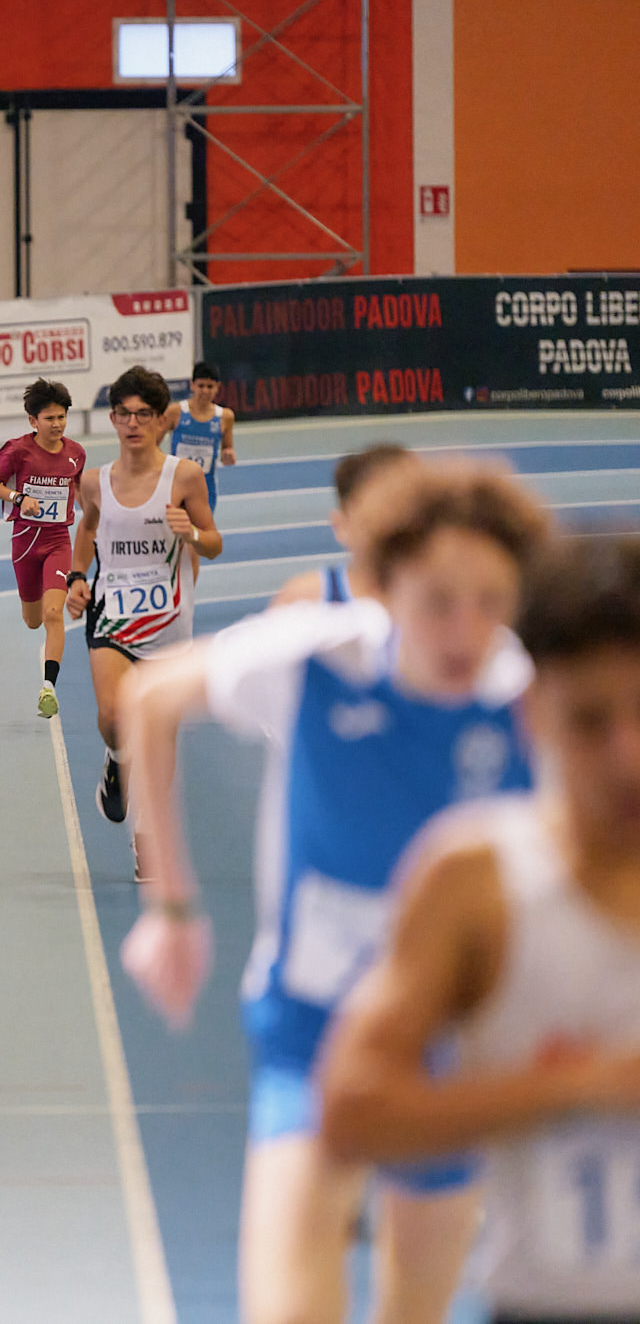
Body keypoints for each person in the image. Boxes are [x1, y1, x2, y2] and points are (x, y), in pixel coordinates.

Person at [115, 459, 551, 1324]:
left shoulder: (535, 700)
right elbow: (148, 693)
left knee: (414, 1309)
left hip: (453, 1048)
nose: (465, 628)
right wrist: (170, 907)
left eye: (491, 601)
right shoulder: (312, 659)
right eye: (438, 601)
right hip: (311, 1031)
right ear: (384, 586)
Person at [320, 533, 640, 1324]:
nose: (627, 758)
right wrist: (580, 1087)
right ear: (534, 715)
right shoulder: (477, 880)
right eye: (591, 722)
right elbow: (353, 1107)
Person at [64, 365, 222, 869]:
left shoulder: (185, 477)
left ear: (160, 421)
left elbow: (214, 543)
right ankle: (116, 761)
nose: (133, 423)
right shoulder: (93, 482)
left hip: (168, 619)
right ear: (112, 419)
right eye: (124, 414)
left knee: (157, 731)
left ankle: (148, 835)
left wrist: (190, 534)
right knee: (115, 717)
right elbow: (87, 530)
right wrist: (77, 577)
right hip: (111, 613)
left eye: (143, 414)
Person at [0, 378, 88, 718]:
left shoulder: (76, 454)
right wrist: (19, 498)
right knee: (32, 620)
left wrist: (95, 514)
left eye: (62, 417)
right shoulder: (18, 451)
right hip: (26, 542)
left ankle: (48, 687)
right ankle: (35, 618)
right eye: (50, 418)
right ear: (33, 420)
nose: (57, 424)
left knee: (53, 614)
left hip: (58, 541)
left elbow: (78, 489)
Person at [270, 444, 419, 609]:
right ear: (341, 526)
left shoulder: (435, 597)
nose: (391, 534)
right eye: (372, 523)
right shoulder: (306, 599)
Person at [156, 360, 236, 510]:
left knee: (202, 525)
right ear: (192, 385)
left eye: (210, 386)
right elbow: (152, 444)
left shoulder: (225, 416)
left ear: (218, 387)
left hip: (205, 488)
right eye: (201, 386)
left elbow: (227, 452)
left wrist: (229, 457)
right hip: (177, 485)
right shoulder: (176, 412)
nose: (205, 391)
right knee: (177, 524)